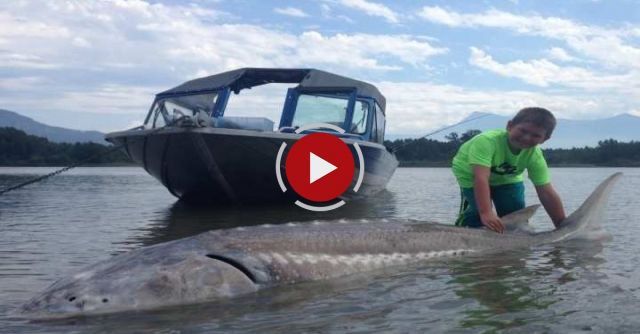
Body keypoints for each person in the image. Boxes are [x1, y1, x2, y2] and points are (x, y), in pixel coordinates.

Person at [451, 107, 566, 233]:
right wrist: (486, 213)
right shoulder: (486, 141)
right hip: (470, 175)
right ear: (509, 126)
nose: (526, 138)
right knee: (476, 215)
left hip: (507, 177)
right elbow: (481, 178)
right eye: (523, 131)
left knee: (514, 216)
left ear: (545, 139)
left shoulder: (535, 155)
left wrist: (563, 226)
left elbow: (546, 191)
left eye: (535, 135)